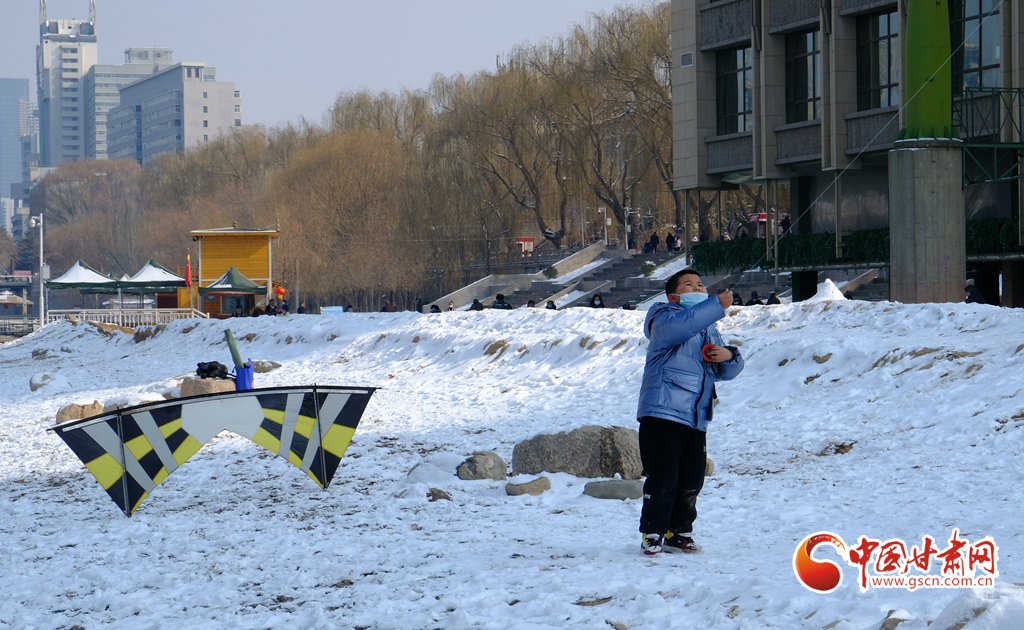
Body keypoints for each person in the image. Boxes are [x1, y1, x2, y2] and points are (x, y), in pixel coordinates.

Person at [637, 269, 744, 555]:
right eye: (689, 285)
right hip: (663, 412)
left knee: (692, 480)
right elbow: (683, 326)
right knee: (664, 477)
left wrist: (729, 356)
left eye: (700, 285)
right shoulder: (663, 317)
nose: (697, 288)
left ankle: (679, 531)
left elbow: (724, 372)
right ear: (674, 296)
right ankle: (653, 532)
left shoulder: (708, 327)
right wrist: (715, 306)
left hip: (696, 417)